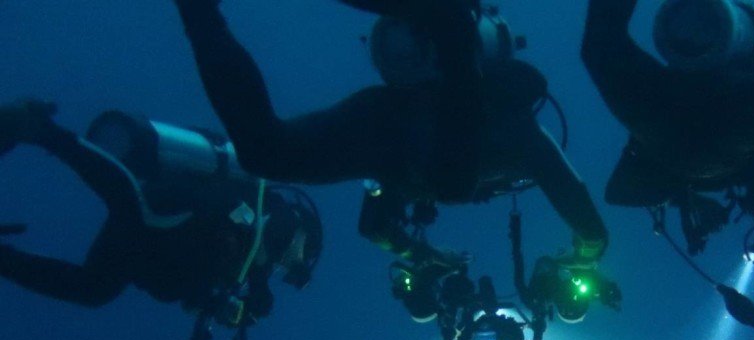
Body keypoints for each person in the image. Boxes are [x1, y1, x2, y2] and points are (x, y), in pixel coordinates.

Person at [172, 0, 609, 276]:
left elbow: (375, 225)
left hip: (406, 133)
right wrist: (588, 250)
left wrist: (424, 253)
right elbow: (571, 193)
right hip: (434, 129)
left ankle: (198, 12)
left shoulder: (382, 119)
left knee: (265, 153)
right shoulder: (511, 128)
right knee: (449, 184)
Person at [0, 100, 323, 340]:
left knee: (94, 288)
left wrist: (222, 302)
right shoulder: (284, 222)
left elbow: (204, 278)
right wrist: (257, 289)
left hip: (152, 242)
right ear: (305, 238)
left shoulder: (255, 264)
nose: (289, 267)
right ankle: (40, 130)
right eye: (301, 257)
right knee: (131, 204)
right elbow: (259, 235)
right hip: (177, 208)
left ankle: (5, 259)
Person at [581, 0, 754, 254]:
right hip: (712, 124)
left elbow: (599, 45)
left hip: (669, 118)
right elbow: (599, 47)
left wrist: (689, 201)